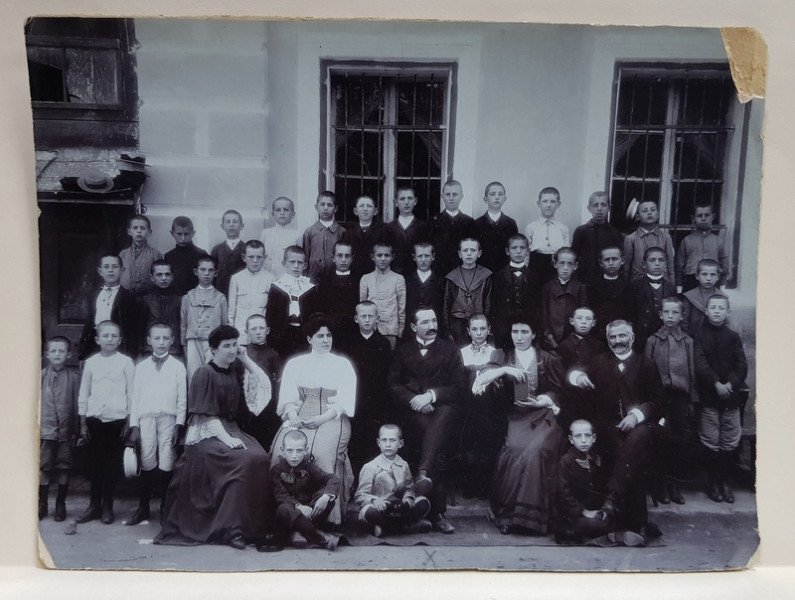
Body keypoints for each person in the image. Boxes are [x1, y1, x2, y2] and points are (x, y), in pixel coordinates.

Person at [155, 325, 271, 549]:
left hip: (231, 429)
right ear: (213, 349)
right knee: (243, 461)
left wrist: (245, 359)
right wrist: (227, 441)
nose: (231, 350)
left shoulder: (236, 370)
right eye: (226, 346)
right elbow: (205, 414)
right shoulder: (204, 373)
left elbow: (263, 385)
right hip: (205, 434)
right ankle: (232, 530)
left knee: (260, 458)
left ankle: (249, 526)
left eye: (234, 345)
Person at [568, 320, 666, 538]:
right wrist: (579, 377)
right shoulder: (599, 361)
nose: (617, 341)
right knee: (628, 453)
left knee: (636, 439)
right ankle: (635, 524)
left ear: (631, 338)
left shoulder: (646, 364)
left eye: (622, 336)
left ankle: (613, 501)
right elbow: (575, 374)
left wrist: (636, 414)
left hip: (643, 428)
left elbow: (659, 401)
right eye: (612, 337)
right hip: (609, 430)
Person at [471, 316, 566, 535]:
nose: (519, 337)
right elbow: (481, 381)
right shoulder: (503, 356)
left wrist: (546, 399)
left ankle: (533, 520)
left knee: (537, 451)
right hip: (516, 417)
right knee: (513, 450)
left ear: (534, 335)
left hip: (544, 416)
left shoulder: (547, 358)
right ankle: (509, 516)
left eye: (525, 332)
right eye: (515, 332)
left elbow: (560, 391)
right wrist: (504, 370)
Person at [387, 307, 468, 534]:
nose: (432, 325)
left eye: (434, 320)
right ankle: (436, 513)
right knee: (434, 442)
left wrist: (431, 396)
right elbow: (393, 385)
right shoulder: (403, 351)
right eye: (425, 322)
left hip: (444, 410)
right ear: (413, 327)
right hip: (412, 413)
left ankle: (423, 480)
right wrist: (415, 399)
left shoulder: (450, 349)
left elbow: (459, 386)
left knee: (438, 425)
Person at [271, 313, 357, 525]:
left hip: (332, 417)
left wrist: (321, 419)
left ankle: (321, 518)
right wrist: (293, 416)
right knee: (279, 454)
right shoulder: (296, 364)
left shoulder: (342, 364)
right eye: (320, 336)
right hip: (300, 416)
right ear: (309, 339)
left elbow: (344, 402)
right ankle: (286, 514)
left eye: (328, 335)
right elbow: (288, 400)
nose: (326, 340)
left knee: (320, 453)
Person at [125, 323, 187, 526]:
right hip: (146, 418)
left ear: (172, 340)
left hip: (168, 419)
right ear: (149, 341)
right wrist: (134, 426)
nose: (161, 343)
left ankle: (165, 507)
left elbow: (182, 399)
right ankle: (143, 507)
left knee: (167, 460)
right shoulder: (141, 368)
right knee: (147, 459)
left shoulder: (178, 367)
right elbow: (134, 398)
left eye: (165, 338)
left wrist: (179, 424)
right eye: (157, 338)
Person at [75, 321, 134, 525]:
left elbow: (132, 394)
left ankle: (108, 504)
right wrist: (83, 423)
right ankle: (94, 505)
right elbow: (84, 393)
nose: (109, 339)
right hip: (94, 420)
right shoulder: (91, 363)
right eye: (105, 336)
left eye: (114, 336)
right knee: (94, 464)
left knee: (111, 465)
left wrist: (129, 422)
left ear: (120, 340)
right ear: (97, 340)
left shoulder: (126, 363)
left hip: (117, 421)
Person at [694, 294, 748, 504]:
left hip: (730, 398)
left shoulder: (733, 336)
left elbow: (741, 365)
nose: (717, 311)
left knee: (729, 440)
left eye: (721, 308)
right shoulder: (699, 335)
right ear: (706, 311)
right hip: (709, 396)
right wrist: (716, 383)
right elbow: (700, 363)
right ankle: (712, 483)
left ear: (727, 312)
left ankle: (725, 482)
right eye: (713, 307)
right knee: (710, 440)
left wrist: (730, 384)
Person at [644, 296, 698, 505]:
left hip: (681, 398)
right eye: (666, 312)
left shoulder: (688, 342)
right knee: (661, 439)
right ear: (660, 315)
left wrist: (693, 399)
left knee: (680, 440)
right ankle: (660, 484)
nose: (670, 316)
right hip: (659, 398)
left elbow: (692, 372)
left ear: (682, 315)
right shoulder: (652, 341)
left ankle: (674, 485)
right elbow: (647, 373)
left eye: (675, 312)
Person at [338, 301, 392, 476]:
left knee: (372, 438)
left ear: (377, 319)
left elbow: (385, 376)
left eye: (371, 316)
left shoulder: (383, 343)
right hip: (354, 400)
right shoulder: (348, 343)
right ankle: (354, 480)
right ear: (356, 318)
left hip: (375, 400)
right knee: (355, 440)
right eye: (363, 316)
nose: (367, 320)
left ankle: (372, 479)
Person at [267, 430, 340, 551]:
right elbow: (280, 495)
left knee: (328, 498)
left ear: (306, 450)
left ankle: (299, 532)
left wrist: (326, 496)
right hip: (287, 515)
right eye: (290, 450)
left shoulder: (309, 467)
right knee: (284, 508)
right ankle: (319, 536)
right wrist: (298, 506)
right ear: (282, 450)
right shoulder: (277, 470)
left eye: (299, 450)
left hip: (308, 513)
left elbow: (332, 479)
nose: (294, 455)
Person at [355, 424, 432, 538]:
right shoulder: (370, 466)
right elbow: (360, 495)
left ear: (400, 443)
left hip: (399, 509)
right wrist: (375, 501)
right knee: (368, 512)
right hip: (381, 508)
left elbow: (409, 488)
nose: (388, 444)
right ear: (378, 443)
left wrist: (407, 499)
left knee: (423, 502)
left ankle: (386, 527)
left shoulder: (403, 465)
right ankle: (405, 527)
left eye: (392, 440)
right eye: (384, 440)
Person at [458, 314, 504, 500]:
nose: (479, 333)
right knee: (469, 441)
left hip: (488, 406)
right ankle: (471, 482)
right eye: (474, 329)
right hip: (467, 406)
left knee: (487, 440)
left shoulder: (495, 352)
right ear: (468, 331)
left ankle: (484, 483)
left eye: (482, 329)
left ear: (489, 330)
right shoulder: (461, 353)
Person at [39, 337, 80, 522]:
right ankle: (42, 503)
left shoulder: (73, 378)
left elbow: (79, 405)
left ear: (68, 354)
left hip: (66, 429)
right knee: (45, 466)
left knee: (64, 465)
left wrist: (77, 430)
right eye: (53, 351)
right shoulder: (40, 377)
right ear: (47, 355)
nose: (57, 354)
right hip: (46, 430)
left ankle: (60, 503)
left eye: (61, 351)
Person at [78, 254, 138, 360]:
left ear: (122, 270)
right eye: (106, 267)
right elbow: (89, 323)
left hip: (118, 347)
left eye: (115, 267)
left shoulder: (129, 297)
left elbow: (132, 329)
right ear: (100, 271)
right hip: (94, 345)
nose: (110, 270)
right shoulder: (94, 294)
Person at [180, 255, 228, 383]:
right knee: (194, 377)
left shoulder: (221, 298)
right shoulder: (188, 297)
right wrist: (185, 348)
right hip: (193, 343)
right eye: (203, 269)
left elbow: (224, 326)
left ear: (216, 273)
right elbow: (183, 325)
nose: (206, 273)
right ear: (196, 272)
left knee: (213, 377)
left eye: (211, 270)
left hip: (213, 344)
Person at [267, 246, 320, 358]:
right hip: (282, 335)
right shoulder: (277, 287)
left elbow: (313, 316)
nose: (296, 266)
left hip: (303, 334)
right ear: (284, 263)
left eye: (300, 263)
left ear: (305, 265)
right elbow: (271, 316)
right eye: (292, 262)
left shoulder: (310, 288)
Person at [240, 313, 283, 449]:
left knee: (265, 443)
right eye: (253, 329)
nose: (258, 332)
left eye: (261, 328)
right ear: (246, 332)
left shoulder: (273, 355)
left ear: (268, 330)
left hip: (267, 409)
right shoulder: (242, 353)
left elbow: (278, 384)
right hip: (244, 408)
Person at [490, 234, 539, 350]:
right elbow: (493, 304)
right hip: (503, 330)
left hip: (526, 331)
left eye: (522, 248)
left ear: (527, 251)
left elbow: (538, 307)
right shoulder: (498, 277)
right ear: (507, 251)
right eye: (514, 248)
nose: (518, 251)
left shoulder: (534, 277)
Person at [443, 237, 493, 346]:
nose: (469, 254)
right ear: (459, 254)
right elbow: (446, 304)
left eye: (473, 250)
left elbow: (488, 303)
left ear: (479, 253)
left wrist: (487, 324)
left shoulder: (485, 275)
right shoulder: (452, 276)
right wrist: (447, 330)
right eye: (465, 250)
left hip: (479, 324)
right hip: (457, 324)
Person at [359, 242, 406, 349]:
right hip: (370, 330)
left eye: (387, 255)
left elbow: (401, 308)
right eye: (379, 255)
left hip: (391, 330)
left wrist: (400, 331)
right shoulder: (366, 279)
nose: (383, 259)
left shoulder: (398, 279)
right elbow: (361, 307)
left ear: (392, 257)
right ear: (372, 257)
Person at [628, 246, 676, 352]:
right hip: (641, 336)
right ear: (644, 264)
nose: (657, 263)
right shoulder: (635, 286)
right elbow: (630, 314)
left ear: (666, 263)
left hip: (663, 334)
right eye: (652, 260)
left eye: (661, 260)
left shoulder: (670, 288)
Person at [570, 191, 623, 286]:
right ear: (589, 208)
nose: (599, 209)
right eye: (595, 205)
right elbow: (574, 257)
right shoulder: (581, 231)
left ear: (609, 208)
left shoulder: (615, 233)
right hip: (585, 280)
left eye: (603, 205)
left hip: (607, 280)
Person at [675, 202, 730, 293]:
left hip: (712, 281)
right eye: (700, 216)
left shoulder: (718, 241)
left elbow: (724, 265)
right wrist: (679, 286)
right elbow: (679, 266)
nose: (703, 218)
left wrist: (722, 285)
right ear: (693, 218)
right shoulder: (687, 240)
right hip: (691, 281)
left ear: (712, 217)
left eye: (707, 215)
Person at [539, 247, 587, 351]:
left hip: (573, 340)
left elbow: (582, 314)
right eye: (562, 263)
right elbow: (544, 314)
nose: (565, 268)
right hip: (551, 339)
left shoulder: (580, 288)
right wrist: (549, 336)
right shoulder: (548, 287)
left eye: (569, 264)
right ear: (555, 264)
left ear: (575, 266)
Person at [227, 240, 274, 344]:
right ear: (244, 257)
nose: (255, 261)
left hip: (261, 337)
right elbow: (231, 310)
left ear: (264, 258)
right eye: (251, 257)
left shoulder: (271, 279)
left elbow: (271, 311)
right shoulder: (236, 279)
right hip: (241, 335)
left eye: (259, 257)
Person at [429, 179, 476, 277]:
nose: (451, 198)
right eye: (448, 194)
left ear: (461, 196)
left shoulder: (469, 222)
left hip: (462, 273)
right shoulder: (434, 222)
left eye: (454, 194)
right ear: (442, 196)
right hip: (439, 273)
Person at [525, 187, 570, 286]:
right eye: (545, 201)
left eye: (553, 201)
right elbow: (526, 252)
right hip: (536, 265)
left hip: (555, 265)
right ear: (539, 204)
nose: (548, 205)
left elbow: (566, 253)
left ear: (558, 204)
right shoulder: (531, 227)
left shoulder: (563, 229)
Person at [622, 200, 676, 282]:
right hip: (638, 283)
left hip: (661, 283)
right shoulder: (631, 239)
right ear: (637, 216)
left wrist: (672, 287)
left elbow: (670, 267)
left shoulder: (666, 237)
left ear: (657, 214)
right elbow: (626, 268)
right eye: (644, 211)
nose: (649, 213)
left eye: (652, 210)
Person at [316, 241, 359, 344]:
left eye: (347, 256)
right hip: (331, 330)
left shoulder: (358, 280)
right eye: (339, 256)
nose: (343, 260)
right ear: (333, 257)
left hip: (353, 331)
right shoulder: (326, 281)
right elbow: (321, 308)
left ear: (352, 258)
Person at [137, 260, 182, 357]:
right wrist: (141, 350)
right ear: (152, 277)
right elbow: (140, 328)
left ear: (173, 276)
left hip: (174, 350)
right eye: (159, 275)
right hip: (150, 350)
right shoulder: (145, 299)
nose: (164, 278)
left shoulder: (180, 299)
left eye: (167, 274)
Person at [589, 246, 633, 344]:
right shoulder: (593, 287)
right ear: (600, 263)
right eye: (607, 260)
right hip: (598, 337)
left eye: (614, 259)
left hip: (621, 336)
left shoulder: (628, 287)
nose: (611, 263)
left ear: (622, 261)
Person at [473, 181, 519, 274]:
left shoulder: (511, 224)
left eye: (500, 194)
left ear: (504, 199)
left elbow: (514, 249)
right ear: (485, 199)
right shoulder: (476, 224)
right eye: (492, 194)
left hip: (505, 273)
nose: (497, 197)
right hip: (482, 272)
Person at [403, 242, 446, 341]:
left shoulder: (440, 281)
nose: (423, 260)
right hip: (411, 331)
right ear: (414, 257)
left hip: (434, 330)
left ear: (433, 257)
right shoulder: (406, 280)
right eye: (420, 256)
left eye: (426, 256)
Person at [383, 186, 430, 275]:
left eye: (410, 198)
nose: (406, 202)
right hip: (394, 273)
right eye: (402, 199)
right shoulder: (389, 228)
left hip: (415, 274)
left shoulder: (423, 227)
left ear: (415, 201)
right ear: (395, 202)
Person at [302, 190, 345, 283]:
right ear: (316, 207)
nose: (325, 208)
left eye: (329, 205)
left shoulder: (341, 232)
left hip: (335, 278)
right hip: (313, 279)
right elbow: (305, 256)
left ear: (336, 208)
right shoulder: (309, 232)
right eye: (322, 204)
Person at [341, 195, 387, 281]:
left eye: (369, 206)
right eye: (361, 206)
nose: (365, 209)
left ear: (375, 211)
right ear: (355, 211)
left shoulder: (383, 232)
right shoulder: (348, 233)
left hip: (377, 276)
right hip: (354, 277)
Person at [119, 215, 162, 297]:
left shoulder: (155, 254)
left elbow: (159, 279)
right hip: (126, 298)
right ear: (129, 231)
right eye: (135, 228)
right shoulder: (123, 254)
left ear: (149, 232)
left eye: (142, 228)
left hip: (148, 298)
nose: (139, 231)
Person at [164, 216, 208, 295]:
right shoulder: (168, 256)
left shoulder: (202, 254)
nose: (183, 238)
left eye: (186, 234)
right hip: (175, 299)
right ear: (172, 233)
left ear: (193, 233)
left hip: (196, 299)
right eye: (179, 234)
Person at [260, 197, 301, 279]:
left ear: (293, 214)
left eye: (286, 210)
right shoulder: (265, 233)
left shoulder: (297, 235)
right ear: (272, 214)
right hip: (267, 277)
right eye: (278, 210)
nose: (282, 213)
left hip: (288, 278)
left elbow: (300, 259)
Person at [682, 258, 726, 334]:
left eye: (712, 275)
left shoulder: (722, 297)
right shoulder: (689, 296)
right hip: (693, 338)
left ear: (718, 277)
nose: (708, 278)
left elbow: (725, 322)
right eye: (704, 274)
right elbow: (684, 323)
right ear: (697, 276)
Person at [555, 306, 605, 371]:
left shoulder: (599, 345)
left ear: (593, 323)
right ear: (571, 321)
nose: (583, 322)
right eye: (579, 318)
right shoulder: (564, 346)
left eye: (588, 318)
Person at [210, 209, 246, 296]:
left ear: (242, 226)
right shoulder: (216, 249)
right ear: (222, 226)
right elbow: (212, 273)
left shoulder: (246, 248)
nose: (232, 225)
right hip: (221, 294)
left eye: (235, 221)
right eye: (228, 222)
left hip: (241, 293)